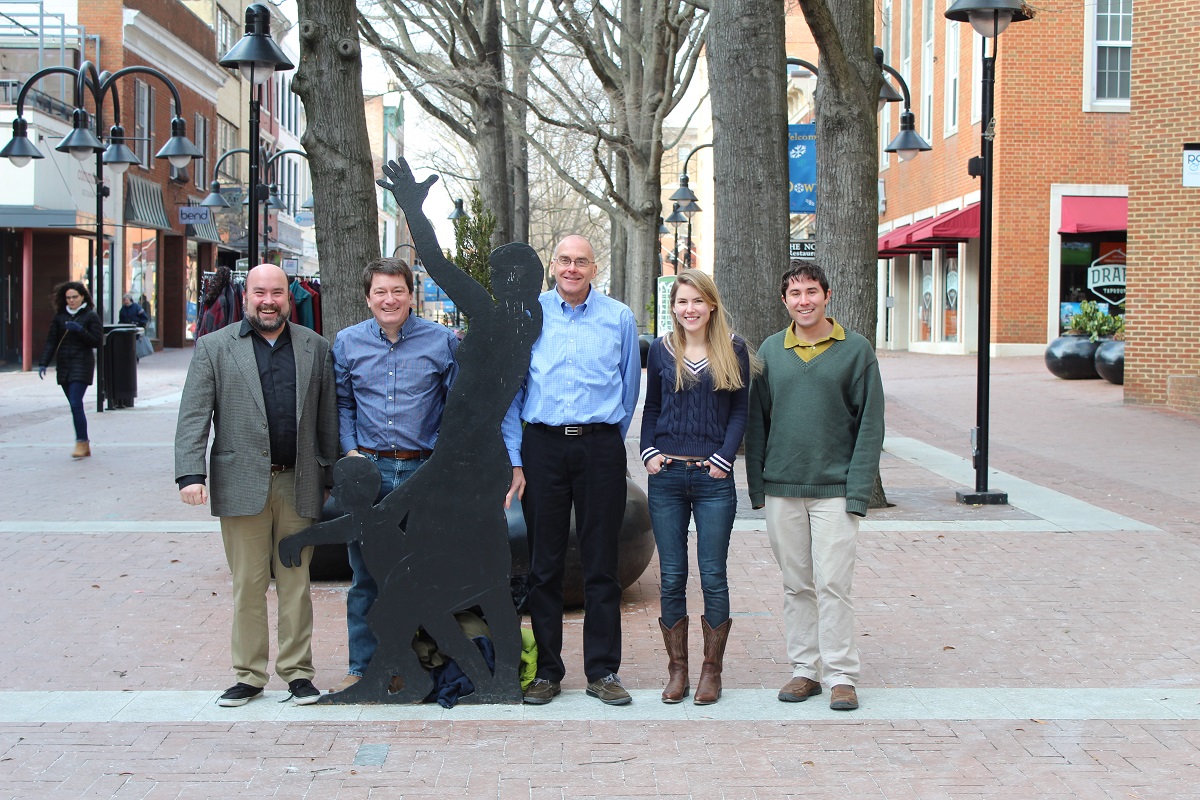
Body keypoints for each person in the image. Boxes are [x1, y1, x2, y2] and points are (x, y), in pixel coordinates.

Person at [174, 263, 338, 708]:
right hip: (240, 482)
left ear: (289, 297)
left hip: (298, 483)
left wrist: (329, 475)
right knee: (248, 583)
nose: (269, 301)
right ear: (246, 296)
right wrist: (190, 474)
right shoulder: (214, 347)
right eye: (260, 292)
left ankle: (298, 672)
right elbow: (194, 415)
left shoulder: (315, 347)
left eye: (277, 293)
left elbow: (327, 418)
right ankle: (248, 675)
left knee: (295, 583)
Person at [502, 234, 641, 706]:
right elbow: (514, 392)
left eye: (581, 261)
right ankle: (547, 672)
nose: (572, 268)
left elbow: (628, 389)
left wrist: (606, 442)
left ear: (594, 268)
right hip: (542, 447)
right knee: (544, 566)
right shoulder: (531, 314)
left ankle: (603, 671)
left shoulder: (618, 318)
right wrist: (516, 458)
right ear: (553, 265)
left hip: (600, 447)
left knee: (603, 564)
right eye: (564, 260)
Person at [745, 261, 885, 712]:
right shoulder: (771, 350)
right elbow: (756, 423)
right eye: (795, 293)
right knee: (796, 585)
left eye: (811, 292)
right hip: (781, 489)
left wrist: (858, 491)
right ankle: (804, 669)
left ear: (827, 295)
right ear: (784, 301)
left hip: (835, 490)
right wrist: (757, 487)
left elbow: (870, 426)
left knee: (834, 584)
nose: (803, 301)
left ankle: (841, 675)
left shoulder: (856, 350)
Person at [327, 255, 460, 695]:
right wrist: (351, 454)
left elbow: (455, 406)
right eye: (380, 292)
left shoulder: (441, 341)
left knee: (423, 573)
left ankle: (415, 664)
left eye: (397, 290)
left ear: (411, 294)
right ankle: (362, 668)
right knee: (366, 576)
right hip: (369, 472)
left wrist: (442, 459)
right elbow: (342, 403)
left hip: (424, 471)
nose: (390, 299)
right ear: (368, 298)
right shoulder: (347, 343)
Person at [639, 269, 753, 705]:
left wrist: (725, 457)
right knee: (671, 577)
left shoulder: (733, 349)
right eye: (682, 302)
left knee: (713, 575)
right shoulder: (662, 350)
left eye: (697, 301)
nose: (690, 309)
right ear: (673, 308)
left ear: (712, 305)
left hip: (712, 479)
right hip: (666, 477)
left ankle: (711, 671)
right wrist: (648, 450)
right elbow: (651, 407)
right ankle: (677, 671)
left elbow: (739, 411)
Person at [38, 281, 103, 459]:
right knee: (74, 405)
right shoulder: (60, 317)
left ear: (82, 297)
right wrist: (43, 362)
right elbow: (51, 341)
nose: (72, 301)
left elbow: (97, 341)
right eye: (68, 298)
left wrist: (80, 330)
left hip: (82, 364)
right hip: (64, 365)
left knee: (75, 402)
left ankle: (81, 442)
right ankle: (84, 443)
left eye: (75, 297)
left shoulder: (90, 316)